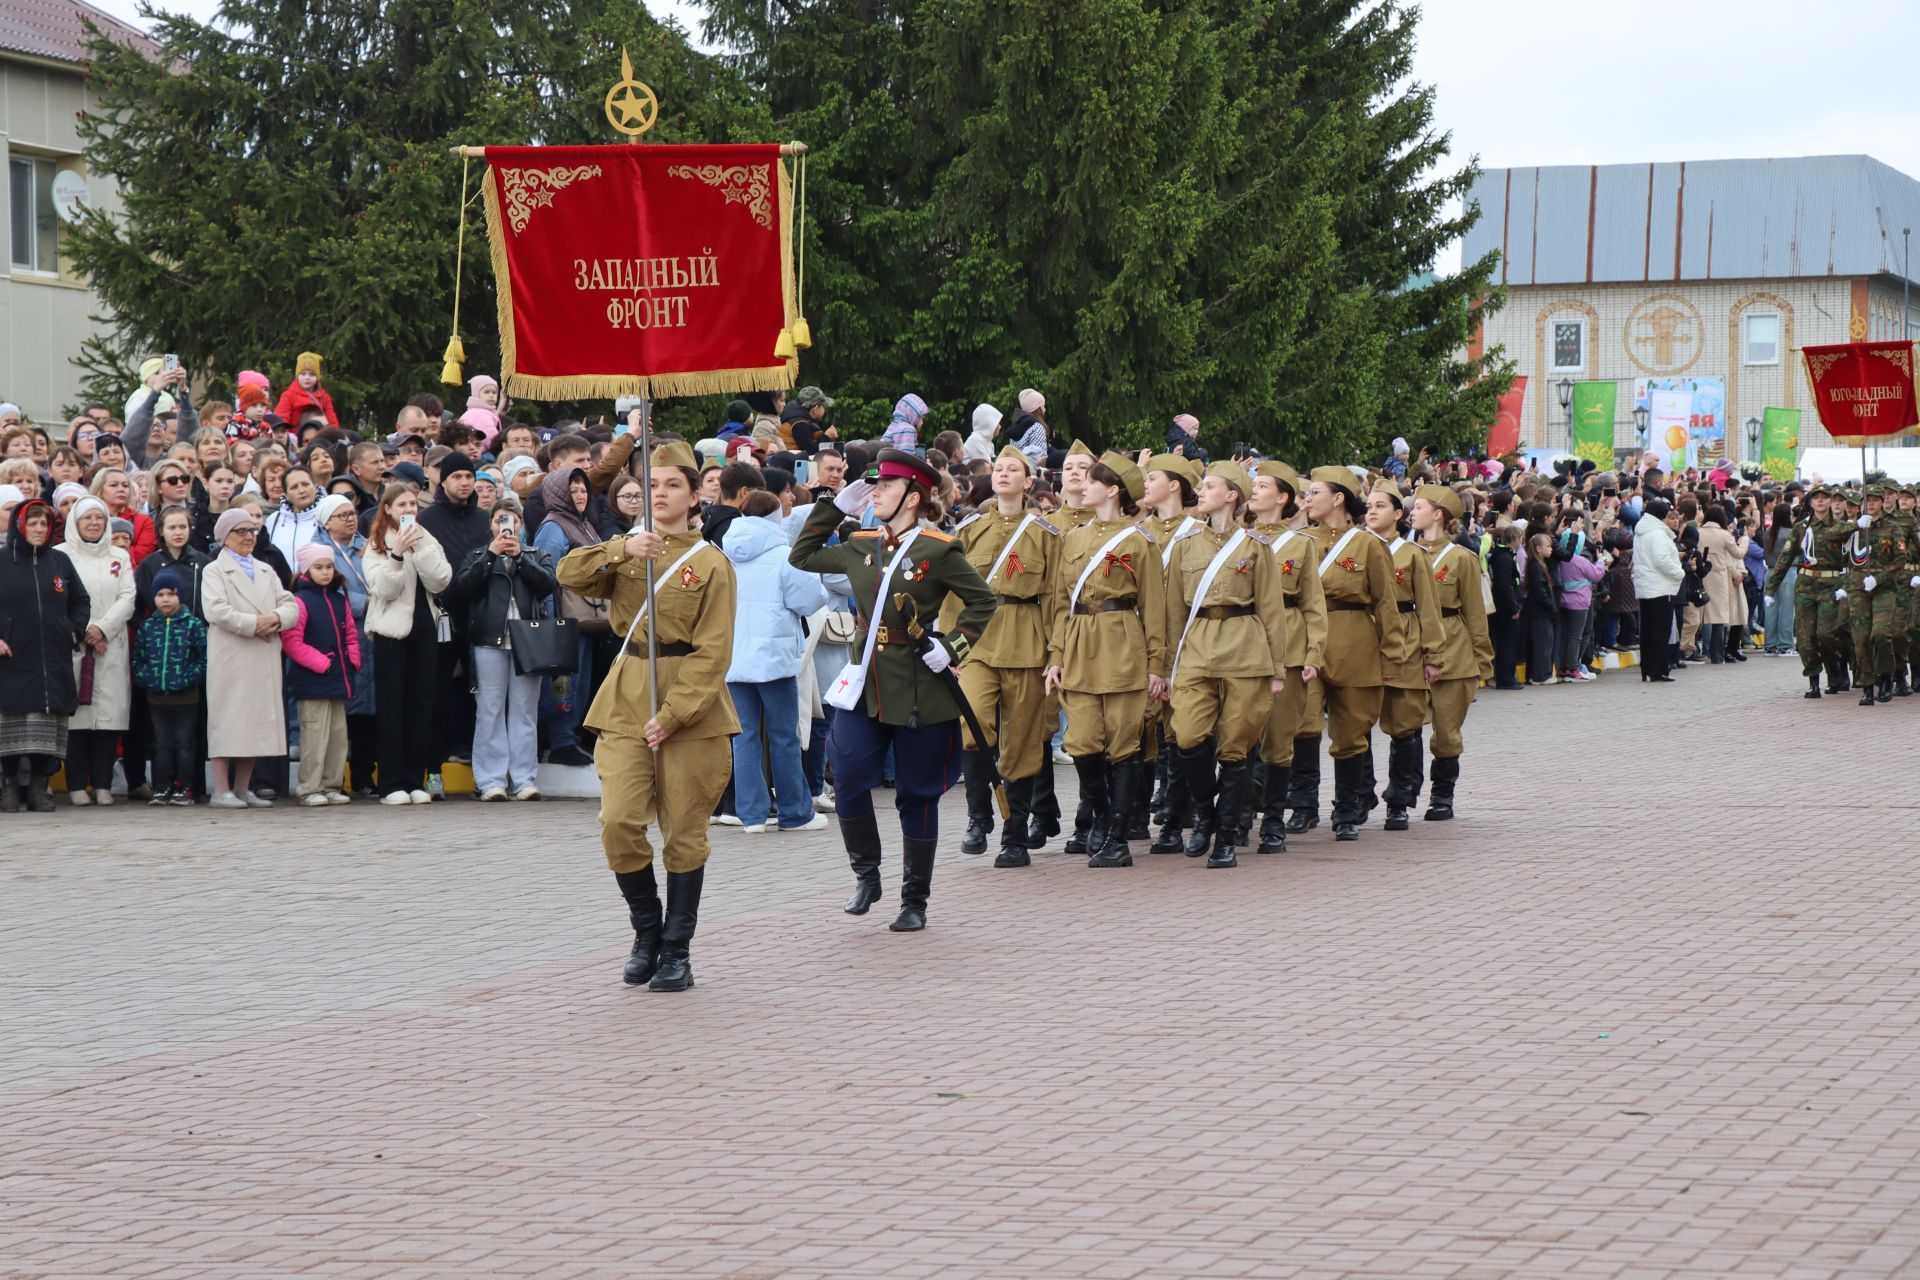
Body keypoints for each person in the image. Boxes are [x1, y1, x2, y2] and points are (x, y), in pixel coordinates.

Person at [556, 440, 738, 992]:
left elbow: (714, 652)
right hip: (627, 696)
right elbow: (568, 574)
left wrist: (677, 713)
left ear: (693, 494)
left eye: (671, 486)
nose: (659, 494)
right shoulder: (627, 547)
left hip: (690, 705)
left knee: (684, 833)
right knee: (619, 823)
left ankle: (677, 951)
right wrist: (621, 551)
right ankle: (646, 931)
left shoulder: (711, 564)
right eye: (651, 486)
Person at [792, 448, 997, 931]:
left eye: (884, 486)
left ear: (913, 496)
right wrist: (833, 507)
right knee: (847, 771)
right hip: (867, 683)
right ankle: (867, 874)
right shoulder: (862, 543)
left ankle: (914, 899)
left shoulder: (937, 549)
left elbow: (983, 601)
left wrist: (953, 648)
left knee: (917, 793)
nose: (875, 492)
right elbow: (801, 556)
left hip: (921, 686)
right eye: (875, 485)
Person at [1043, 451, 1167, 864]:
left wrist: (1156, 666)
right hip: (1079, 644)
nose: (1084, 485)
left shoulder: (1139, 541)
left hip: (1121, 644)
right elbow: (1061, 603)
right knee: (1082, 743)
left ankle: (1117, 835)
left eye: (1093, 480)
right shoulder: (1073, 538)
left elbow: (1153, 607)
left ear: (1112, 489)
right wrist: (1056, 655)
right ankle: (1099, 816)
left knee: (1123, 743)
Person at [1162, 462, 1287, 867]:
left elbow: (1271, 610)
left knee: (1235, 746)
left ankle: (1227, 838)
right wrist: (1167, 666)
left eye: (1210, 486)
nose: (1201, 491)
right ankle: (1205, 813)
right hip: (1197, 647)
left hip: (1245, 649)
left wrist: (1277, 670)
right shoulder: (1185, 545)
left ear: (1233, 495)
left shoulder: (1255, 546)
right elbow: (1172, 613)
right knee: (1187, 736)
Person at [948, 445, 1060, 866]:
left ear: (1029, 482)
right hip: (977, 640)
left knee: (1022, 741)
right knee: (970, 721)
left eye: (1014, 470)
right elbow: (952, 591)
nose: (1003, 474)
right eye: (999, 468)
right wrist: (950, 646)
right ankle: (979, 818)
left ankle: (1014, 834)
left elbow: (1053, 598)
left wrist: (1055, 651)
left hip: (1026, 639)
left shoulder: (1045, 535)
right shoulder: (970, 527)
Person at [1297, 467, 1395, 841]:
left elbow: (1386, 604)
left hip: (1354, 639)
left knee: (1351, 730)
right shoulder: (1300, 540)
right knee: (1304, 723)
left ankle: (1346, 809)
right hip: (1307, 640)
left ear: (1338, 498)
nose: (1307, 500)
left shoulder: (1368, 545)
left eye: (1314, 493)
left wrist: (1392, 656)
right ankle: (1304, 806)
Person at [723, 490, 829, 832]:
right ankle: (794, 812)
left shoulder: (725, 554)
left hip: (735, 658)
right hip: (775, 656)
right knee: (785, 734)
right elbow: (811, 599)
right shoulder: (786, 554)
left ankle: (751, 815)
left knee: (744, 736)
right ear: (774, 517)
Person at [1247, 460, 1326, 856]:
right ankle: (1238, 815)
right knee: (1237, 737)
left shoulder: (1302, 545)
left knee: (1279, 741)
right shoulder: (1237, 541)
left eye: (1263, 486)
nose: (1255, 491)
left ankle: (1274, 821)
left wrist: (1314, 653)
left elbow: (1313, 605)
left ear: (1282, 498)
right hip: (1242, 649)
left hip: (1289, 649)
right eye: (1253, 485)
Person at [200, 507, 300, 807]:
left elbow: (290, 603)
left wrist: (276, 618)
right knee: (227, 720)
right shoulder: (214, 570)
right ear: (224, 537)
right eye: (240, 531)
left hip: (262, 652)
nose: (247, 537)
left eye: (251, 531)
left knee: (254, 722)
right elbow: (216, 611)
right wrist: (253, 625)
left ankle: (243, 788)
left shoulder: (266, 569)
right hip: (233, 654)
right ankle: (220, 790)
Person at [456, 499, 555, 801]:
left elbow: (548, 584)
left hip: (528, 641)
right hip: (488, 640)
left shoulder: (536, 554)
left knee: (525, 711)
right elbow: (465, 587)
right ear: (491, 525)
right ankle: (491, 781)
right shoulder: (477, 555)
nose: (505, 527)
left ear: (521, 525)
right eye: (500, 520)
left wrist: (521, 560)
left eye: (511, 521)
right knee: (490, 710)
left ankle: (524, 780)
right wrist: (491, 555)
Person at [363, 483, 454, 804]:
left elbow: (441, 579)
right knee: (392, 708)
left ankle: (415, 780)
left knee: (421, 706)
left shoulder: (427, 538)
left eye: (413, 504)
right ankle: (390, 783)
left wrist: (420, 548)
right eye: (401, 504)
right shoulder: (376, 543)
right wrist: (398, 554)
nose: (409, 510)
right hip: (391, 633)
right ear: (387, 508)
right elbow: (382, 589)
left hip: (424, 630)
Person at [1361, 480, 1443, 831]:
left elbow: (1428, 606)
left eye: (1381, 505)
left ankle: (1400, 799)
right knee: (1355, 721)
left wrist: (1433, 654)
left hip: (1406, 640)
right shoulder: (1356, 548)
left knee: (1405, 725)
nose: (1372, 510)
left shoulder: (1412, 555)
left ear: (1399, 514)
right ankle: (1359, 792)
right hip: (1364, 639)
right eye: (1369, 505)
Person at [0, 501, 89, 813]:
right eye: (32, 523)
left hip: (52, 659)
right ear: (19, 526)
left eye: (44, 524)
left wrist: (72, 631)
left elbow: (80, 600)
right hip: (11, 661)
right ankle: (9, 788)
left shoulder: (60, 562)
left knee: (45, 725)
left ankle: (40, 788)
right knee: (11, 724)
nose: (38, 530)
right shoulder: (1, 560)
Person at [1409, 485, 1492, 821]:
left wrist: (1481, 661)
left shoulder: (1462, 559)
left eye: (1418, 507)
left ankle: (1442, 796)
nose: (1412, 513)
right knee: (1406, 724)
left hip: (1453, 650)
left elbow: (1475, 613)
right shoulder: (1403, 553)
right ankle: (1405, 789)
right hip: (1412, 646)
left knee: (1446, 731)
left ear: (1438, 514)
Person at [531, 467, 610, 768]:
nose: (579, 495)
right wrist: (554, 621)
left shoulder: (584, 524)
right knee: (565, 682)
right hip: (565, 618)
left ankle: (569, 736)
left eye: (582, 490)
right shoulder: (554, 527)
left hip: (586, 618)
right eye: (572, 490)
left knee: (579, 681)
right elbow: (546, 573)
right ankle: (562, 739)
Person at [59, 497, 135, 806]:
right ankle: (77, 784)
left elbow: (127, 596)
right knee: (77, 719)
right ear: (75, 523)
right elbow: (60, 598)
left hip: (110, 645)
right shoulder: (61, 555)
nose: (93, 523)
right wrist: (86, 630)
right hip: (74, 645)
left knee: (108, 718)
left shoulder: (119, 556)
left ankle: (103, 784)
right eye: (87, 518)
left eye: (99, 518)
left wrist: (103, 628)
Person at [282, 542, 361, 806]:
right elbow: (293, 642)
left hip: (338, 678)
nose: (325, 572)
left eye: (329, 566)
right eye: (318, 567)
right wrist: (323, 664)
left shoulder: (339, 599)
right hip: (314, 680)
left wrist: (353, 659)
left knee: (338, 736)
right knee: (314, 735)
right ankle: (309, 786)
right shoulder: (300, 600)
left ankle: (331, 783)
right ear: (306, 570)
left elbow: (350, 632)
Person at [131, 567, 207, 805]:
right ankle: (162, 787)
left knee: (185, 744)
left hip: (186, 697)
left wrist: (189, 678)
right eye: (161, 594)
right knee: (161, 745)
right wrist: (147, 678)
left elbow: (202, 657)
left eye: (171, 594)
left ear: (179, 596)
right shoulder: (148, 626)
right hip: (156, 698)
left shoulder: (192, 624)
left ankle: (185, 787)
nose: (166, 599)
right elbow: (138, 657)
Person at [1633, 498, 1683, 683]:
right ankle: (1659, 669)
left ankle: (1647, 667)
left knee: (1647, 630)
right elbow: (1662, 560)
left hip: (1646, 586)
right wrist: (1680, 572)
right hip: (1660, 587)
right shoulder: (1657, 534)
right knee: (1660, 630)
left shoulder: (1641, 532)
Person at [273, 352, 339, 427]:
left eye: (312, 374)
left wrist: (333, 434)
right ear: (297, 376)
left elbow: (331, 419)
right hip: (296, 436)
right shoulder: (288, 395)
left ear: (317, 377)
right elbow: (282, 418)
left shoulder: (324, 396)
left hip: (319, 435)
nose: (307, 378)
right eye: (303, 374)